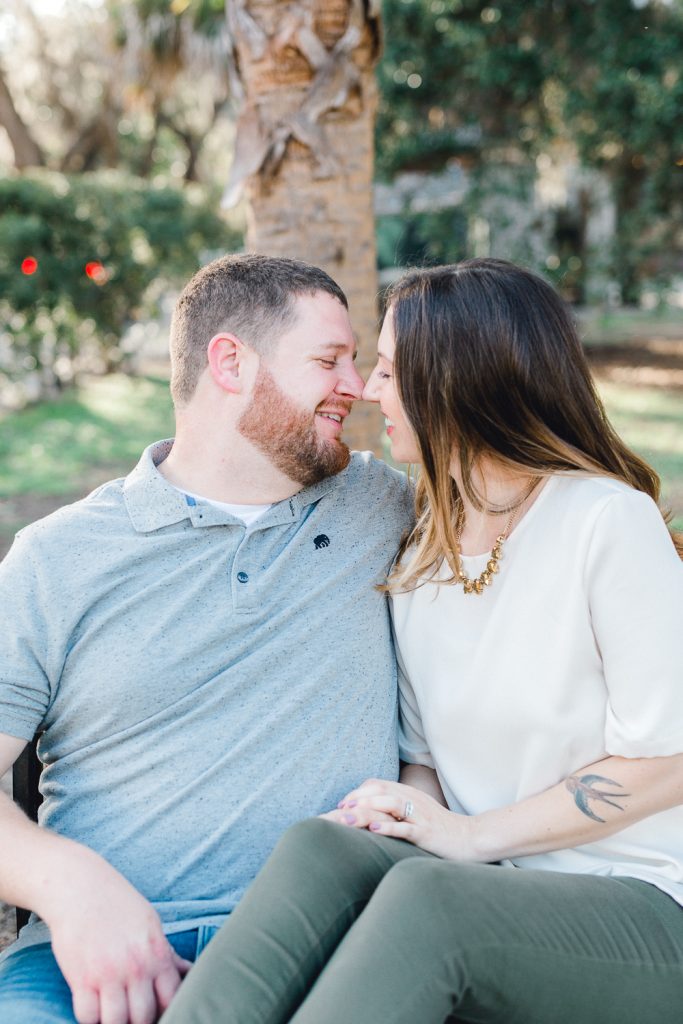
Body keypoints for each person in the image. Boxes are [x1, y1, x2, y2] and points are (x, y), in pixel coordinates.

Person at [159, 258, 683, 1024]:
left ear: (462, 384)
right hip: (495, 882)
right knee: (323, 848)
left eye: (388, 371)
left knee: (427, 896)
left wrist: (469, 837)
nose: (367, 392)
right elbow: (429, 763)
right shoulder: (420, 548)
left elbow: (668, 761)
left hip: (639, 906)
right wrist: (404, 811)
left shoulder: (603, 521)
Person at [0, 253, 414, 1024]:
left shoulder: (386, 507)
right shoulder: (58, 557)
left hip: (336, 947)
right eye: (329, 360)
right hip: (98, 959)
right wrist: (73, 889)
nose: (355, 388)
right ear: (230, 361)